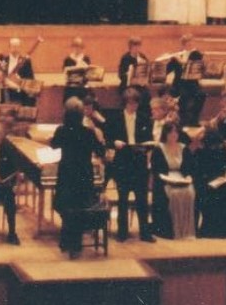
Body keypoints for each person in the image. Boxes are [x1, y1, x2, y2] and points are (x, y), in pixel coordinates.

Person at [50, 97, 104, 259]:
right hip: (83, 175)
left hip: (67, 174)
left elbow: (53, 145)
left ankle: (66, 242)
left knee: (67, 207)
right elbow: (100, 151)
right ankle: (76, 243)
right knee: (79, 207)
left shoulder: (61, 130)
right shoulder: (88, 132)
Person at [104, 89, 155, 242]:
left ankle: (145, 233)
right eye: (131, 103)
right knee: (123, 198)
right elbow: (107, 139)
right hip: (123, 161)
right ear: (126, 103)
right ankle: (122, 232)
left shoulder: (145, 119)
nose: (134, 106)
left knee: (142, 199)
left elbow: (149, 139)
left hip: (139, 161)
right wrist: (114, 143)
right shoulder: (115, 118)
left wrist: (148, 144)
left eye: (136, 103)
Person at [149, 122, 196, 240]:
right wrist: (167, 179)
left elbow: (189, 167)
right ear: (165, 133)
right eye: (171, 132)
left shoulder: (183, 147)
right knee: (174, 194)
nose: (174, 135)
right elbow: (156, 170)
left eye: (176, 132)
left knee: (190, 192)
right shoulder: (159, 148)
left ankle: (186, 230)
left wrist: (188, 176)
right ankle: (174, 230)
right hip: (165, 179)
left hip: (181, 176)